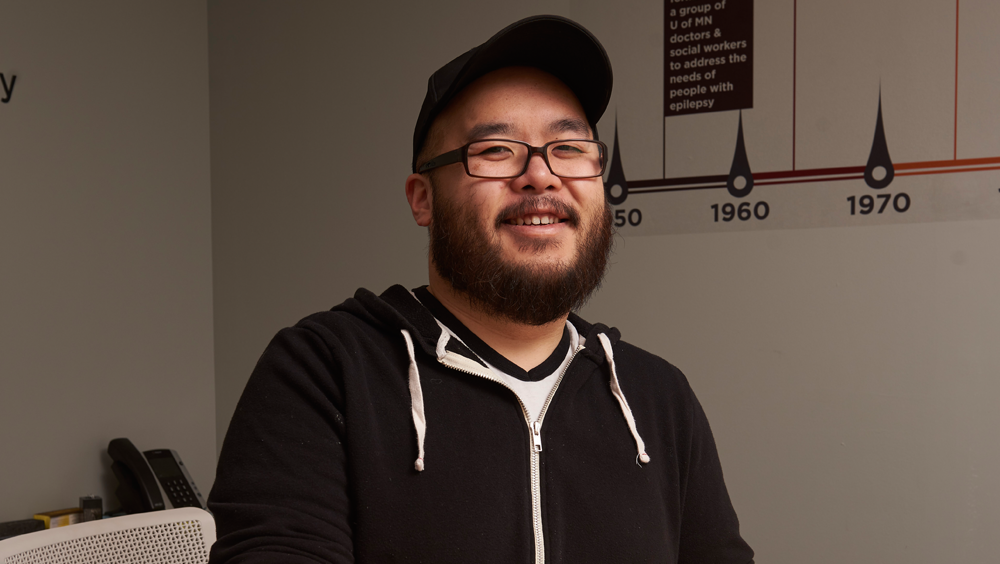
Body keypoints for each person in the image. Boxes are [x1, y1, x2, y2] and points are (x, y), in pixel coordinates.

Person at [208, 15, 754, 564]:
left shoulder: (657, 397)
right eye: (496, 150)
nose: (541, 175)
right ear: (423, 199)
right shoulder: (323, 372)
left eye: (569, 148)